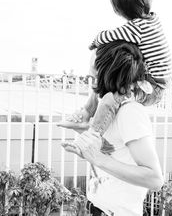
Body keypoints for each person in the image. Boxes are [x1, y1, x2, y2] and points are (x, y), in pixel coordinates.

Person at [58, 0, 172, 155]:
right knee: (101, 91)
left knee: (112, 98)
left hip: (152, 88)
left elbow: (106, 36)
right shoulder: (153, 21)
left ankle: (93, 136)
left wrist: (94, 43)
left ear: (118, 10)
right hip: (154, 82)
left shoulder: (137, 27)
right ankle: (85, 114)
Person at [62, 40, 164, 216]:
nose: (89, 74)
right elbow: (116, 150)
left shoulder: (130, 112)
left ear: (110, 72)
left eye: (95, 69)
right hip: (98, 207)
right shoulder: (110, 109)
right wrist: (84, 137)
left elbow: (154, 179)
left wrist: (97, 157)